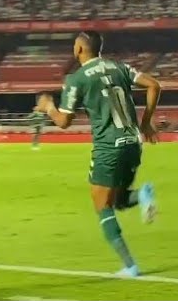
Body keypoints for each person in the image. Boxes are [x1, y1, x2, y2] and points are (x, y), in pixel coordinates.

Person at [36, 31, 161, 277]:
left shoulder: (77, 78)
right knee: (119, 199)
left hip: (108, 147)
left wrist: (48, 107)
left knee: (102, 205)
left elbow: (63, 122)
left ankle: (130, 266)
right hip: (133, 142)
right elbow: (154, 85)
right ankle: (143, 194)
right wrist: (146, 122)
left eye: (74, 44)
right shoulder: (118, 67)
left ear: (80, 49)